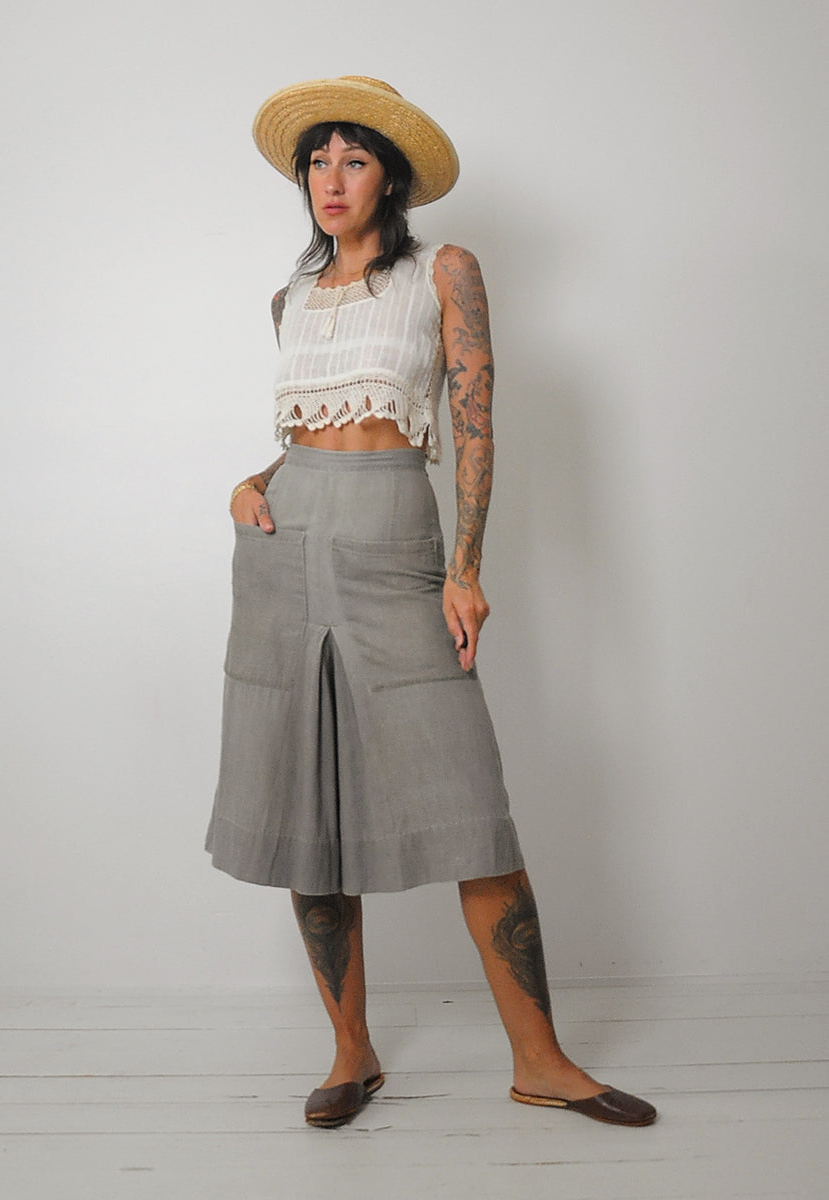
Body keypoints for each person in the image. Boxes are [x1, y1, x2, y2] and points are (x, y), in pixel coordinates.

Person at [206, 76, 656, 1130]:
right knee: (305, 807)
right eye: (318, 161)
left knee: (470, 804)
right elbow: (306, 436)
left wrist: (465, 567)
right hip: (281, 553)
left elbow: (471, 422)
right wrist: (249, 484)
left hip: (394, 546)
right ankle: (351, 1053)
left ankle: (542, 1060)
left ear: (391, 178)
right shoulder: (289, 298)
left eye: (355, 160)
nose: (332, 180)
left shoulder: (443, 271)